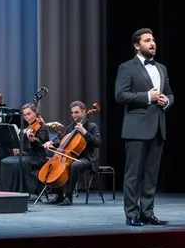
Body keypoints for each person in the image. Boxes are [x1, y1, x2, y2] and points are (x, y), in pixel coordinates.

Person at [115, 28, 173, 226]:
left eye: (153, 40)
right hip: (136, 128)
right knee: (133, 175)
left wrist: (167, 101)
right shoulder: (127, 67)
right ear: (137, 45)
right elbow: (120, 95)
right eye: (147, 40)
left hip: (158, 127)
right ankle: (131, 213)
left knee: (151, 175)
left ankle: (147, 213)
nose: (152, 43)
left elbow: (170, 93)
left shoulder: (162, 68)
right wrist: (147, 96)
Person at [47, 101, 101, 206]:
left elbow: (98, 142)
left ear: (84, 111)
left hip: (87, 159)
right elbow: (60, 139)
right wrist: (51, 142)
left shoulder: (91, 126)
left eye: (76, 112)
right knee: (52, 162)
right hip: (71, 156)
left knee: (74, 165)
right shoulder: (70, 127)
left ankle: (68, 196)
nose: (74, 115)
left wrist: (84, 132)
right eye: (72, 113)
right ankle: (59, 195)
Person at [0, 102, 48, 194]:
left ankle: (19, 191)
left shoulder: (42, 126)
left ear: (35, 113)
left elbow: (42, 143)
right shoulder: (27, 126)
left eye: (29, 114)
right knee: (3, 162)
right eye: (25, 115)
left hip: (38, 157)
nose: (26, 117)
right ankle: (3, 191)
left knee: (18, 163)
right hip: (27, 155)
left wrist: (33, 140)